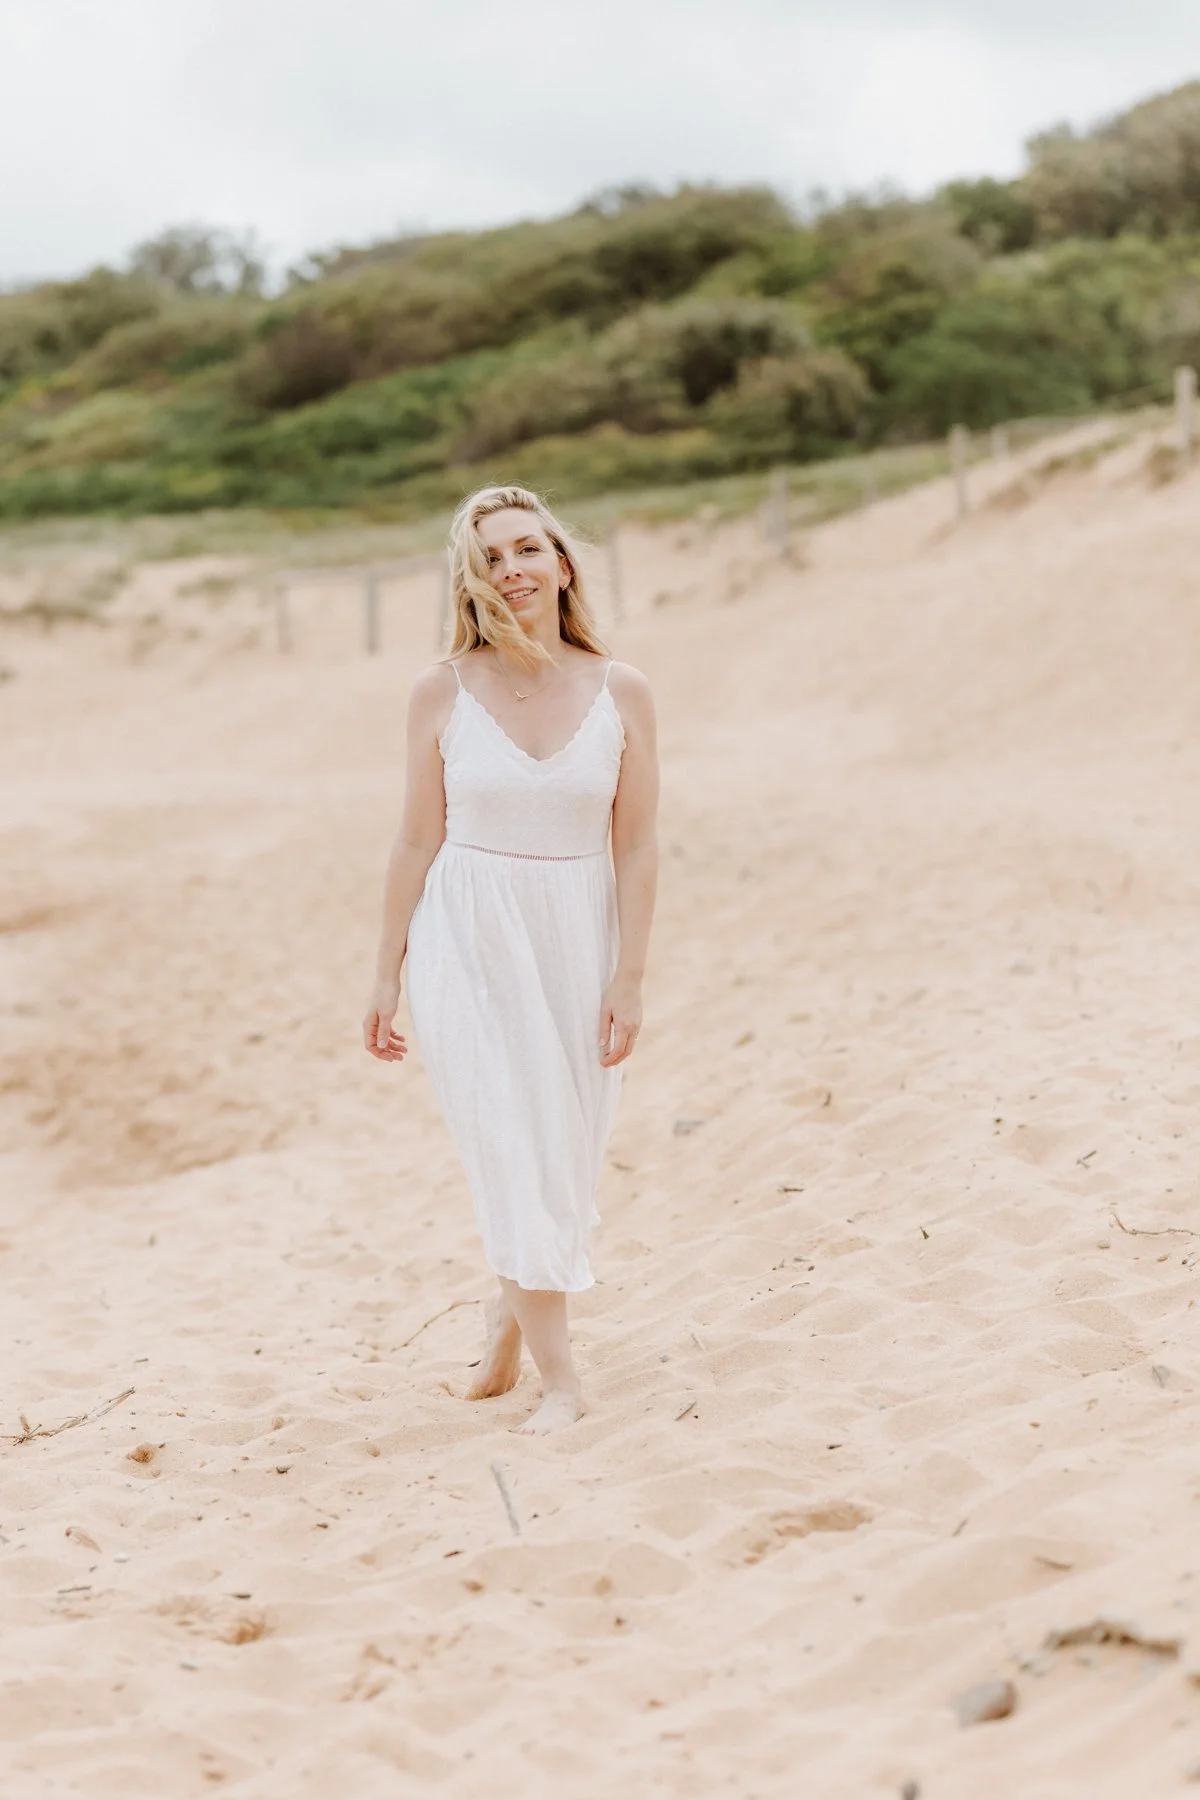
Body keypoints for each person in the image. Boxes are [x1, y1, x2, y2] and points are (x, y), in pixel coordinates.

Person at [363, 484, 659, 1434]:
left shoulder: (622, 690)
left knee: (562, 1150)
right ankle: (563, 1381)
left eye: (528, 550)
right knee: (509, 1144)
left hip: (577, 932)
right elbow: (414, 841)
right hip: (467, 934)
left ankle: (509, 1313)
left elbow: (640, 844)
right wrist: (385, 972)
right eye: (490, 559)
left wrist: (631, 975)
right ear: (472, 580)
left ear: (563, 563)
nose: (513, 570)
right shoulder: (441, 690)